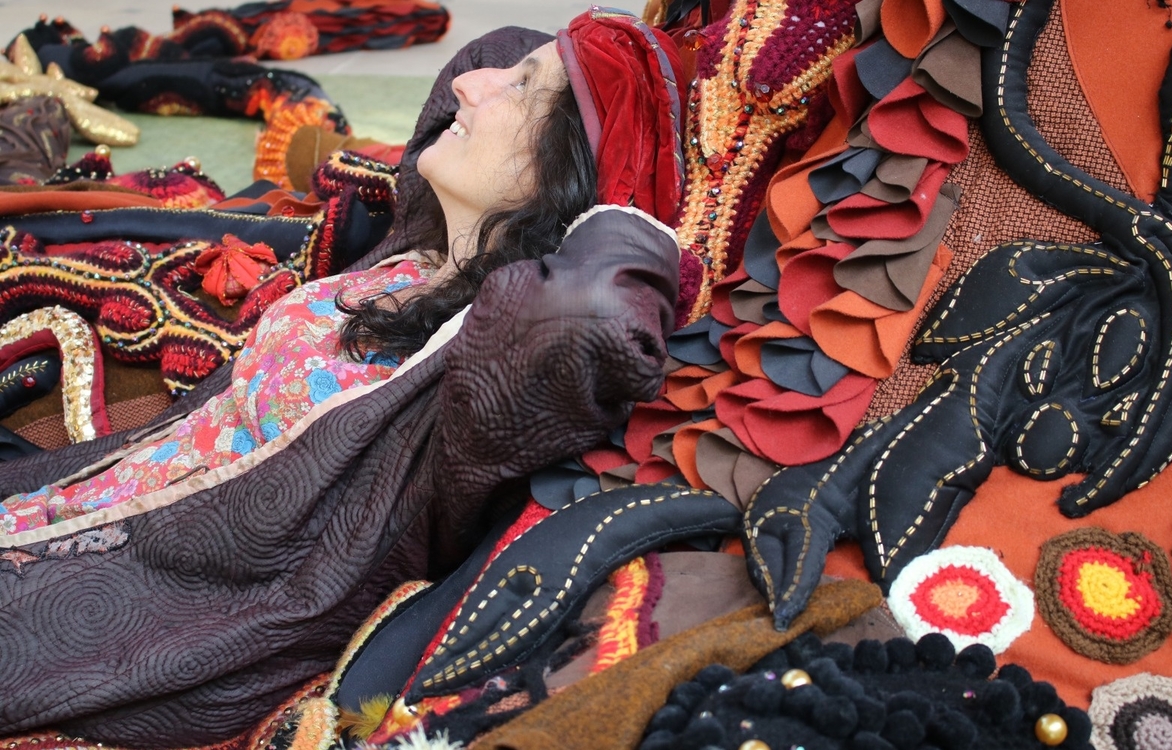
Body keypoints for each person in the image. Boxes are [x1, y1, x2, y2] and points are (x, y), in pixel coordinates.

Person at [0, 8, 685, 746]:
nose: (471, 80)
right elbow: (489, 57)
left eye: (521, 88)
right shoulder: (418, 257)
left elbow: (587, 312)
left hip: (139, 619)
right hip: (79, 507)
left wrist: (630, 185)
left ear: (567, 170)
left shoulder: (481, 373)